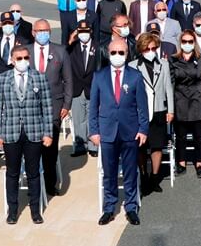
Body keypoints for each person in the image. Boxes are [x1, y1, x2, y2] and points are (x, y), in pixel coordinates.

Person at [89, 37, 150, 226]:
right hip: (107, 132)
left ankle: (131, 207)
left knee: (131, 171)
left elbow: (142, 106)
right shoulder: (99, 76)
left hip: (129, 131)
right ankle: (109, 207)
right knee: (110, 172)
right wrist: (94, 131)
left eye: (121, 52)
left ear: (127, 54)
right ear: (108, 54)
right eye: (113, 52)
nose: (117, 56)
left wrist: (143, 129)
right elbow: (93, 107)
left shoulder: (135, 76)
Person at [0, 44, 53, 224]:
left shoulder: (38, 77)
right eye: (19, 59)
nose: (23, 61)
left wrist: (48, 132)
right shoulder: (3, 79)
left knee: (33, 172)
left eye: (26, 58)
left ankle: (35, 210)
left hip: (34, 131)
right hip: (11, 132)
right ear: (12, 60)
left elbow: (47, 107)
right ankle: (12, 210)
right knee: (12, 173)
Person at [30, 19, 72, 197]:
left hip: (54, 105)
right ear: (33, 32)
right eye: (40, 30)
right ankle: (34, 183)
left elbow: (68, 79)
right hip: (30, 106)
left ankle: (49, 184)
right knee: (33, 147)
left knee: (51, 148)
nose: (43, 33)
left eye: (46, 30)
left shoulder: (60, 51)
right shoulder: (26, 52)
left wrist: (67, 104)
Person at [130, 33, 174, 194]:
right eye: (147, 48)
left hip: (159, 110)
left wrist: (170, 110)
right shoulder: (133, 66)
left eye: (153, 48)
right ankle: (143, 175)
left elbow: (168, 88)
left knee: (157, 145)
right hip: (140, 111)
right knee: (141, 146)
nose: (150, 51)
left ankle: (155, 177)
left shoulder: (163, 64)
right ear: (141, 49)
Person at [169, 29, 201, 178]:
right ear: (180, 43)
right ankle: (181, 162)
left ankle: (199, 162)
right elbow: (171, 82)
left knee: (199, 135)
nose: (187, 44)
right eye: (184, 41)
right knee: (181, 135)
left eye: (190, 41)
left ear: (194, 42)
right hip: (180, 99)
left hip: (197, 99)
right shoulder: (173, 60)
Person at [67, 20, 100, 158]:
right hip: (77, 88)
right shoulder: (72, 47)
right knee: (78, 118)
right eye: (81, 31)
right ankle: (80, 145)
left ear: (91, 31)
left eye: (86, 31)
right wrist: (70, 40)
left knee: (92, 118)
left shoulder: (98, 47)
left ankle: (93, 146)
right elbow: (63, 54)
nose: (84, 34)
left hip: (92, 87)